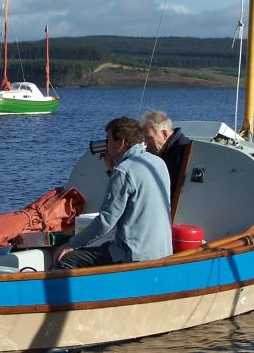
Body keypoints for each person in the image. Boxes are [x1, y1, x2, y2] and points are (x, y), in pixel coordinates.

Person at [54, 116, 172, 269]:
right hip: (162, 252)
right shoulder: (158, 163)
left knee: (66, 260)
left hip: (134, 256)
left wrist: (71, 244)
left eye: (108, 139)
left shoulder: (124, 171)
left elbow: (105, 222)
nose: (106, 145)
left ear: (120, 143)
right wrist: (112, 168)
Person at [141, 109, 191, 202]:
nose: (145, 144)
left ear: (164, 134)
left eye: (149, 138)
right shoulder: (165, 152)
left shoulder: (184, 153)